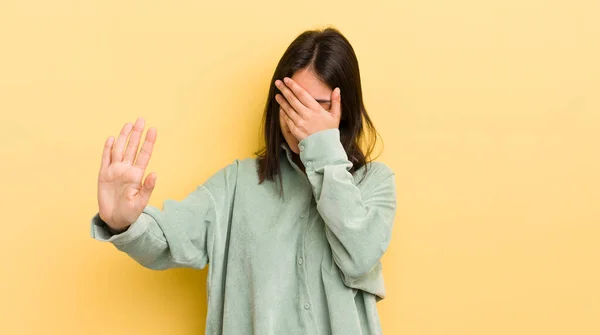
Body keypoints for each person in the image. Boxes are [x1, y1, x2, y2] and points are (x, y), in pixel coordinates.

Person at [90, 27, 397, 335]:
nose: (298, 119)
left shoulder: (374, 183)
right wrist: (124, 223)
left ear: (343, 109)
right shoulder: (236, 183)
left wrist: (323, 151)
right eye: (290, 103)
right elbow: (172, 238)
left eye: (316, 105)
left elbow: (360, 256)